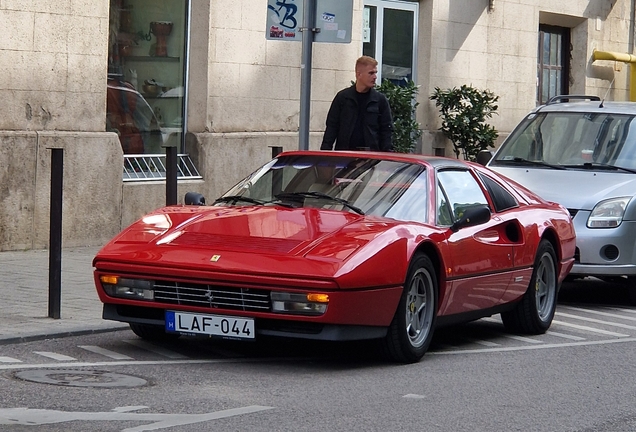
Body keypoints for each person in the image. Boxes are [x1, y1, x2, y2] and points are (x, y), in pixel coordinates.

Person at [321, 56, 393, 151]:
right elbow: (332, 127)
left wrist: (386, 156)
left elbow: (386, 130)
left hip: (371, 156)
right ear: (359, 74)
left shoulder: (380, 100)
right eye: (371, 73)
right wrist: (325, 153)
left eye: (375, 73)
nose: (375, 77)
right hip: (345, 154)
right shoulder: (343, 98)